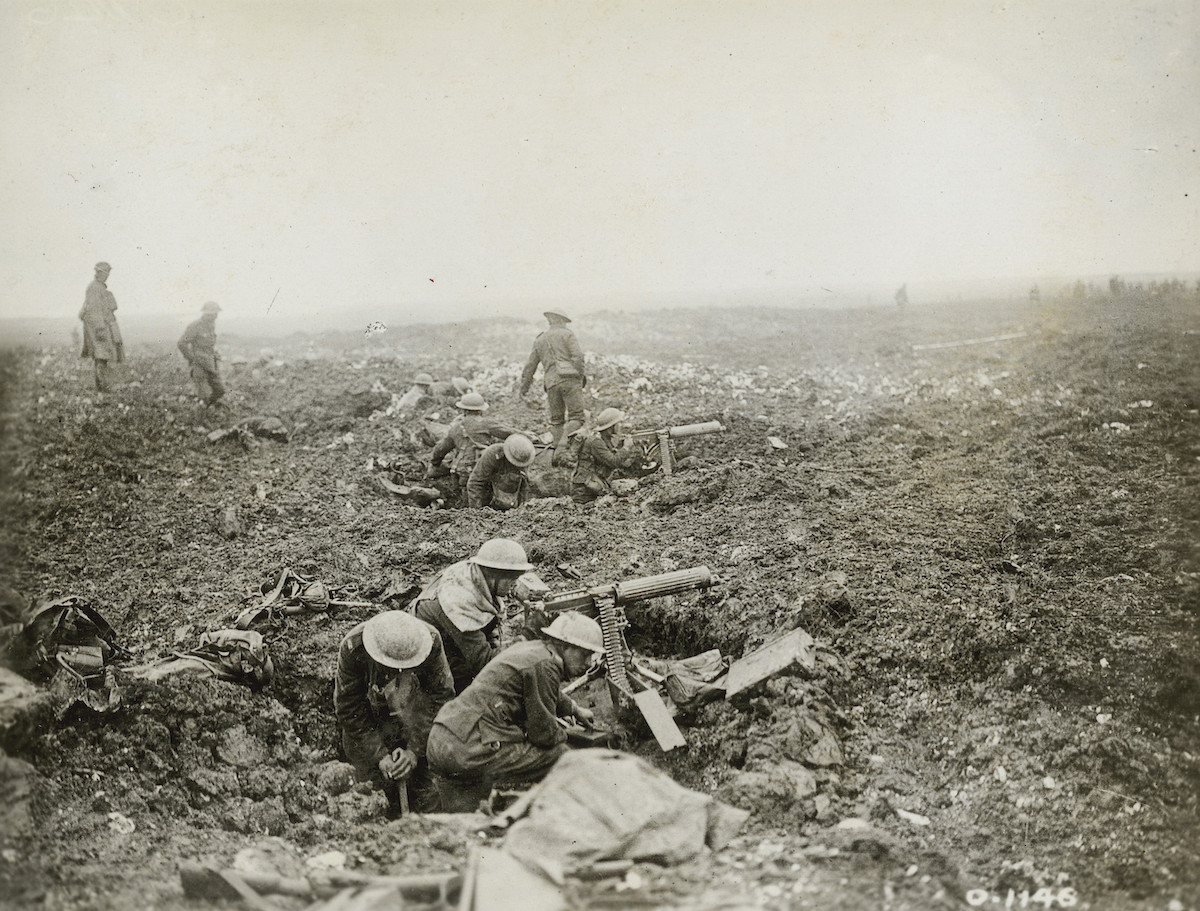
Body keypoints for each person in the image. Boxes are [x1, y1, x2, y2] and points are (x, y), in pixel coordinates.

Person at [426, 611, 602, 790]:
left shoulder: (534, 650)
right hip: (468, 749)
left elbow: (544, 689)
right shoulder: (546, 666)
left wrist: (574, 709)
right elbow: (544, 735)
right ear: (564, 645)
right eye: (584, 654)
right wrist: (572, 738)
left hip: (444, 738)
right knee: (561, 755)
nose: (589, 663)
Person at [334, 611, 456, 815]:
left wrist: (414, 751)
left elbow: (441, 700)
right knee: (368, 796)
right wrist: (380, 755)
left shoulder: (429, 642)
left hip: (416, 719)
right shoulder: (353, 648)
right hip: (370, 723)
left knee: (432, 792)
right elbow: (348, 708)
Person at [410, 538, 533, 693]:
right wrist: (527, 639)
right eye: (512, 579)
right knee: (466, 680)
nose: (516, 584)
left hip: (449, 636)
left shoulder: (477, 576)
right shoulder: (460, 602)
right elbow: (485, 662)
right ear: (494, 575)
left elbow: (490, 625)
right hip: (424, 653)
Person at [517, 309, 587, 464]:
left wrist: (524, 388)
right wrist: (579, 376)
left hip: (551, 384)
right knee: (577, 417)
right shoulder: (567, 334)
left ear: (549, 321)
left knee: (556, 421)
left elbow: (530, 366)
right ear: (562, 321)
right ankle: (563, 447)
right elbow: (578, 357)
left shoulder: (540, 340)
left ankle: (556, 457)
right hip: (570, 380)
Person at [427, 393, 519, 505]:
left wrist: (435, 463)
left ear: (464, 411)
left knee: (466, 501)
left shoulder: (455, 428)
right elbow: (511, 433)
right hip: (484, 469)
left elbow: (440, 449)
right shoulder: (486, 423)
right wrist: (531, 438)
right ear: (481, 411)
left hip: (462, 472)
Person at [571, 407, 638, 503]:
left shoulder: (604, 439)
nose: (620, 426)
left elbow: (620, 462)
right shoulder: (596, 442)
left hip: (593, 486)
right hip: (585, 492)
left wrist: (625, 447)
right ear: (611, 426)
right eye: (618, 423)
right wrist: (626, 448)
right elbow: (613, 462)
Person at [78, 262, 124, 392]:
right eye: (105, 273)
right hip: (98, 327)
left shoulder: (99, 287)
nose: (107, 275)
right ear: (99, 273)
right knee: (101, 355)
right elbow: (93, 310)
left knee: (103, 354)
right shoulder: (94, 288)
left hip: (102, 325)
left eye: (108, 273)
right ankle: (102, 385)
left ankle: (102, 384)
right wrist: (99, 328)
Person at [466, 433, 535, 510]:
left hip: (508, 500)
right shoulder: (492, 454)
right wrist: (476, 512)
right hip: (487, 498)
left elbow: (525, 486)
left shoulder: (524, 458)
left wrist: (522, 509)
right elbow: (475, 483)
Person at [177, 301, 225, 405]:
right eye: (214, 313)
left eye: (216, 313)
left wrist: (215, 354)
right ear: (207, 314)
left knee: (220, 390)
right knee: (205, 395)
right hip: (199, 365)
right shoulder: (195, 326)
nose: (216, 316)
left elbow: (209, 345)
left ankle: (208, 407)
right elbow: (181, 343)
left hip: (211, 364)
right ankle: (204, 412)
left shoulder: (211, 325)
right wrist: (192, 358)